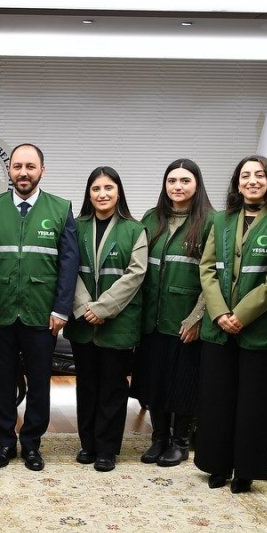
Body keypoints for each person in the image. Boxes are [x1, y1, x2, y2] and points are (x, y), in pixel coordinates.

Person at [0, 143, 79, 471]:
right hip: (1, 314)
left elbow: (69, 263)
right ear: (9, 170)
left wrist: (62, 308)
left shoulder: (61, 209)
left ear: (42, 171)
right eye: (18, 166)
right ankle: (5, 443)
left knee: (39, 383)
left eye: (30, 167)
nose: (23, 172)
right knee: (1, 382)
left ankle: (32, 444)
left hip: (42, 314)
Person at [194, 155, 267, 493]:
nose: (252, 181)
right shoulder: (220, 220)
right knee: (216, 399)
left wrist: (241, 315)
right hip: (217, 328)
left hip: (258, 329)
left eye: (259, 175)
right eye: (245, 176)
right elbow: (206, 269)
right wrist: (220, 313)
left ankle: (246, 469)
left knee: (254, 403)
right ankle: (216, 465)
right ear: (236, 183)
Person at [64, 166, 148, 472]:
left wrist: (103, 308)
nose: (102, 194)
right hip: (83, 320)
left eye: (109, 188)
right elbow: (68, 268)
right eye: (96, 188)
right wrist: (87, 306)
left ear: (118, 192)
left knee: (113, 387)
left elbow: (136, 273)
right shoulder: (75, 225)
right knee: (86, 385)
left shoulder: (134, 229)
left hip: (118, 321)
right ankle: (87, 445)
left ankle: (107, 449)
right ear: (89, 193)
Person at [132, 159, 214, 467]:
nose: (177, 186)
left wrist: (196, 318)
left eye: (185, 181)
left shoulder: (210, 222)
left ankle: (180, 442)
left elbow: (213, 276)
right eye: (172, 181)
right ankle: (159, 439)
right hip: (151, 317)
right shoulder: (151, 218)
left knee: (183, 383)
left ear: (196, 185)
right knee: (155, 381)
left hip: (185, 318)